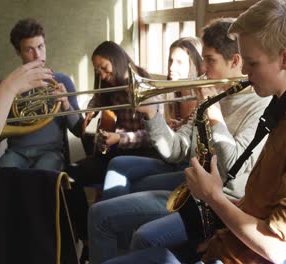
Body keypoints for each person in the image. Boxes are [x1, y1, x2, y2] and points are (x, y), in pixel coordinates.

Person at [104, 0, 286, 263]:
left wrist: (213, 196)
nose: (244, 71)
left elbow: (276, 249)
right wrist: (219, 227)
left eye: (252, 63)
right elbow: (261, 203)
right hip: (227, 244)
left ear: (285, 59)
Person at [87, 18, 271, 264]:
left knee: (143, 236)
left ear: (235, 61)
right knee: (99, 212)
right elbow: (175, 149)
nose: (202, 68)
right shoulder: (215, 96)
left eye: (209, 60)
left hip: (219, 205)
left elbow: (232, 169)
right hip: (190, 189)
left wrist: (214, 115)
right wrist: (152, 116)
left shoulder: (259, 105)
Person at [100, 36, 204, 201]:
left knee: (132, 183)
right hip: (168, 158)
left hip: (184, 165)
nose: (171, 67)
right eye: (170, 61)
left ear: (195, 65)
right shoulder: (172, 95)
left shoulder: (201, 98)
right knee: (117, 164)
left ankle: (110, 215)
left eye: (179, 62)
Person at [67, 40, 161, 186]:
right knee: (69, 174)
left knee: (87, 170)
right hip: (120, 149)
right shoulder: (113, 85)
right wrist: (92, 109)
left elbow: (152, 136)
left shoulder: (144, 85)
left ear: (117, 60)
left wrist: (119, 138)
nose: (103, 76)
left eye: (105, 68)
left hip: (145, 153)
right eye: (98, 72)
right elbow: (98, 98)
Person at [0, 18, 83, 171]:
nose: (37, 55)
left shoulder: (62, 81)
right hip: (16, 152)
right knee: (4, 171)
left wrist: (66, 105)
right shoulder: (7, 86)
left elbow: (78, 130)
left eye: (40, 46)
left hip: (50, 153)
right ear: (18, 52)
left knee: (42, 176)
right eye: (29, 49)